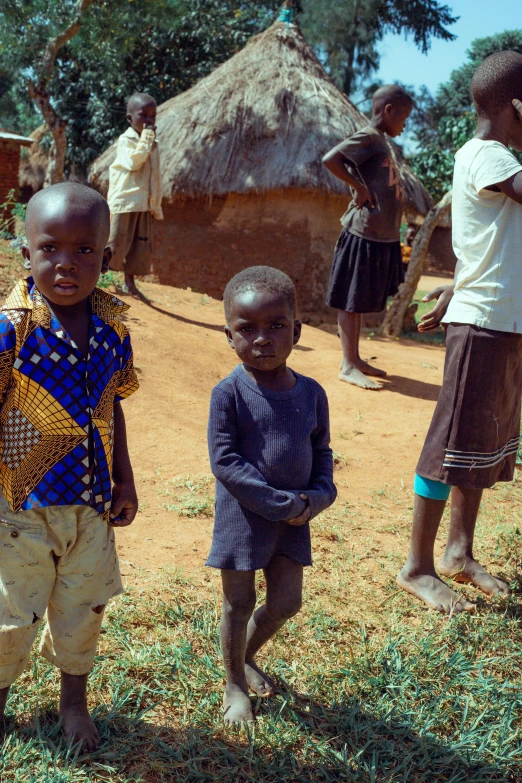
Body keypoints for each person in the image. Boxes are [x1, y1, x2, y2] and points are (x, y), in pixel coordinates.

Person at [0, 183, 139, 749]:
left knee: (83, 608)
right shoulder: (11, 329)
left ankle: (73, 704)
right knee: (11, 617)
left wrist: (124, 475)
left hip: (93, 506)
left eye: (84, 250)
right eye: (50, 248)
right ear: (25, 253)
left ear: (106, 258)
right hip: (20, 508)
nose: (65, 263)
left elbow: (113, 402)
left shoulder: (113, 330)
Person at [398, 50, 522, 615]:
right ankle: (418, 566)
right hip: (483, 323)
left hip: (504, 320)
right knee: (447, 444)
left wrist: (456, 285)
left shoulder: (496, 159)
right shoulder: (487, 155)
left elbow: (491, 243)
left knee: (480, 441)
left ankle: (458, 552)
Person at [206, 266, 337, 726]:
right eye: (247, 328)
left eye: (276, 326)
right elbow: (224, 462)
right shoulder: (228, 395)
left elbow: (322, 452)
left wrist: (319, 497)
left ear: (297, 331)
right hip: (244, 518)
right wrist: (279, 503)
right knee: (238, 604)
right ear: (229, 336)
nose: (262, 338)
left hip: (295, 519)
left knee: (286, 602)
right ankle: (233, 685)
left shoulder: (312, 393)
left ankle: (246, 655)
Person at [323, 85, 413, 390]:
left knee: (358, 299)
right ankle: (347, 365)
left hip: (379, 236)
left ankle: (356, 358)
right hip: (362, 232)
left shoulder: (381, 142)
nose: (404, 125)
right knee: (350, 299)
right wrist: (359, 189)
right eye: (403, 118)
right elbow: (331, 159)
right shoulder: (370, 136)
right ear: (388, 111)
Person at [107, 92, 163, 299]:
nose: (149, 121)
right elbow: (134, 162)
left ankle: (130, 283)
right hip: (125, 202)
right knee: (116, 242)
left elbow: (155, 175)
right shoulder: (126, 140)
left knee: (139, 245)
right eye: (143, 115)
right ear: (130, 118)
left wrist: (155, 204)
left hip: (142, 203)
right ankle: (100, 281)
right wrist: (148, 138)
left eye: (152, 116)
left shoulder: (152, 143)